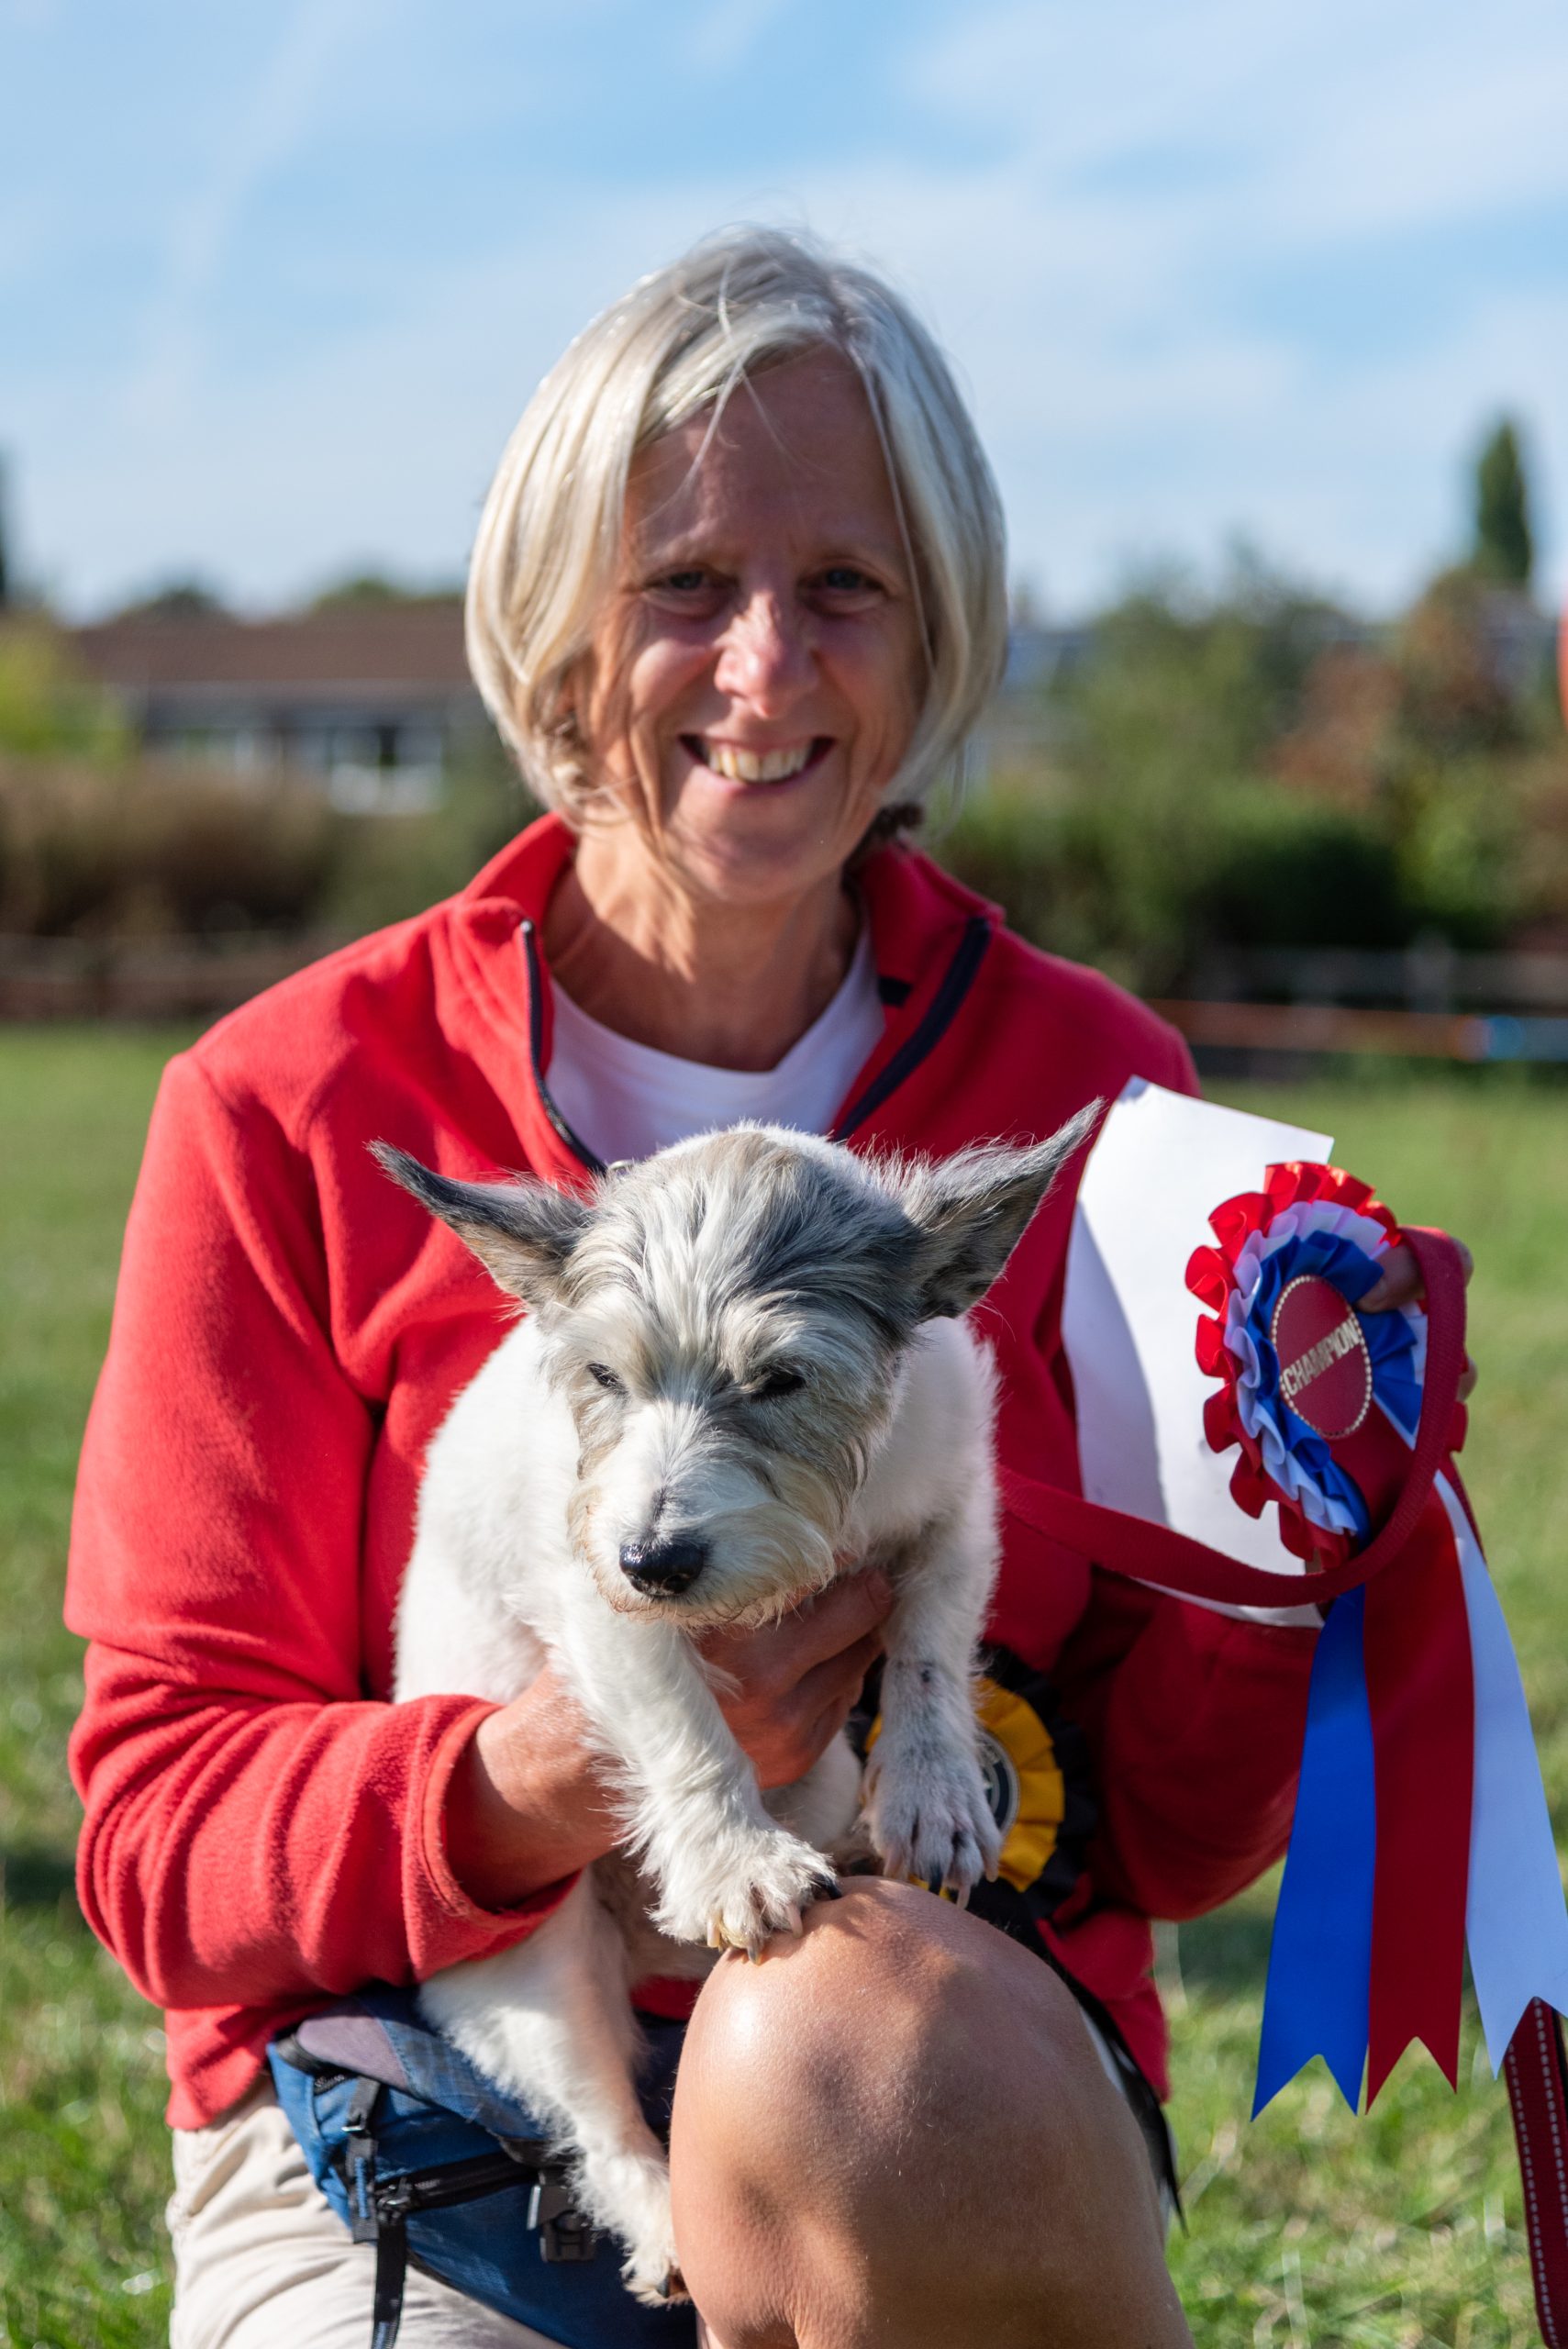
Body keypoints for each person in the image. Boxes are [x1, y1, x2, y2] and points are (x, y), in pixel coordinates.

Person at [66, 228, 1459, 2349]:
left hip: (917, 2082)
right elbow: (158, 1836)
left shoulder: (1100, 1101)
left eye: (844, 589)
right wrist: (540, 1771)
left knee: (848, 2052)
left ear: (937, 633)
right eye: (685, 588)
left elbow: (1174, 1838)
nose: (764, 672)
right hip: (440, 2109)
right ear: (556, 626)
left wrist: (1291, 1562)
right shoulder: (286, 1106)